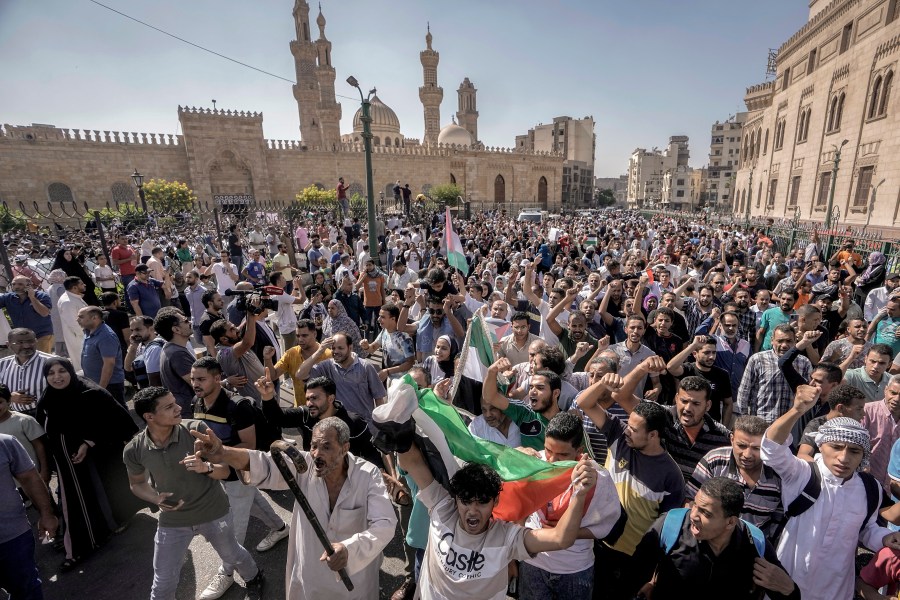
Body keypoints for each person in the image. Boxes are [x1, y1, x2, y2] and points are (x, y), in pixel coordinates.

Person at [192, 414, 397, 600]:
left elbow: (385, 524)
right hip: (310, 574)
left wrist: (350, 549)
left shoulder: (368, 475)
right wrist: (223, 452)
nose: (316, 453)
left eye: (326, 446)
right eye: (314, 445)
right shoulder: (303, 465)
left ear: (345, 448)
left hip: (354, 578)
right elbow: (263, 463)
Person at [394, 431, 598, 599]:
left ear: (495, 502)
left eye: (482, 502)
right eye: (466, 500)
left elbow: (561, 539)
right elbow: (413, 462)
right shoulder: (442, 509)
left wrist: (579, 494)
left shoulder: (507, 537)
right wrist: (397, 429)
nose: (472, 511)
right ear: (455, 499)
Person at [761, 384, 900, 600]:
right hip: (788, 582)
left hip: (836, 589)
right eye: (836, 447)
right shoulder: (803, 474)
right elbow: (771, 449)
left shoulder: (869, 488)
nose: (844, 458)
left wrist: (885, 537)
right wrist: (797, 410)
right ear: (822, 445)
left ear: (863, 455)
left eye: (854, 451)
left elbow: (866, 529)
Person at [123, 387, 264, 600]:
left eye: (175, 402)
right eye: (169, 406)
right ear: (149, 417)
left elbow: (225, 471)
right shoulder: (134, 449)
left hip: (214, 513)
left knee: (232, 554)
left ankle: (254, 577)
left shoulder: (196, 430)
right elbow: (137, 483)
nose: (179, 407)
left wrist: (205, 467)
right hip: (172, 521)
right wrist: (155, 498)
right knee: (162, 582)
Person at [574, 372, 685, 599]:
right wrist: (602, 383)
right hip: (597, 544)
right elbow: (584, 402)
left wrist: (655, 576)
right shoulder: (618, 434)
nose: (627, 430)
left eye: (634, 429)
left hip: (634, 560)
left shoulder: (671, 476)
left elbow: (669, 531)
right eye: (628, 424)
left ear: (653, 435)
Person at [35, 357, 143, 572]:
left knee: (108, 491)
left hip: (103, 453)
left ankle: (102, 528)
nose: (57, 377)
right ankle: (80, 536)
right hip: (68, 461)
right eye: (51, 373)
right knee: (78, 497)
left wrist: (88, 442)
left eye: (62, 371)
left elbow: (116, 420)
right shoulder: (48, 397)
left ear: (70, 372)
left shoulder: (91, 393)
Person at [628, 477, 799, 600]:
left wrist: (788, 588)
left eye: (705, 513)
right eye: (695, 505)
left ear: (730, 522)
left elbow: (789, 594)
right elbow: (630, 579)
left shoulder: (755, 545)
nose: (694, 515)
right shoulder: (669, 526)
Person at [189, 358, 287, 565]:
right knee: (255, 503)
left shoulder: (237, 406)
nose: (195, 384)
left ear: (217, 379)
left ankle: (229, 571)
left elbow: (249, 446)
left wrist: (216, 453)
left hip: (239, 472)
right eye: (192, 379)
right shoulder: (196, 402)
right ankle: (281, 529)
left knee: (232, 529)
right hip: (220, 471)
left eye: (201, 379)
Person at [520, 413, 622, 600]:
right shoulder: (533, 462)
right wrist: (515, 457)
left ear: (579, 451)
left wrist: (567, 532)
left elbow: (606, 526)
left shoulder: (597, 477)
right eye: (548, 450)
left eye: (562, 454)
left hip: (574, 570)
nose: (552, 460)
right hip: (533, 563)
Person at [686, 415, 785, 542]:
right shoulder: (714, 461)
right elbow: (689, 499)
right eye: (742, 446)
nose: (747, 455)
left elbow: (779, 521)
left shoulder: (778, 476)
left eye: (756, 448)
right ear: (732, 439)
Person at [260, 373, 381, 466]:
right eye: (307, 399)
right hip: (315, 475)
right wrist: (267, 396)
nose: (309, 403)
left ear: (331, 398)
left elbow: (371, 453)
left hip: (345, 481)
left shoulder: (353, 422)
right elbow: (277, 418)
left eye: (314, 398)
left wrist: (381, 475)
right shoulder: (306, 414)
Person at [0, 433, 58, 600]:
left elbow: (30, 478)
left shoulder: (5, 442)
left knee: (26, 590)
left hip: (12, 538)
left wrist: (46, 514)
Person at [298, 333, 386, 425]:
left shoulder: (365, 367)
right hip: (339, 427)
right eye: (333, 348)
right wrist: (320, 351)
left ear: (350, 347)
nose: (336, 351)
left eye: (340, 348)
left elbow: (379, 398)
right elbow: (300, 374)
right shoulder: (326, 366)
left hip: (365, 426)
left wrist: (381, 424)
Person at [736, 324, 812, 423]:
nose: (784, 345)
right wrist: (744, 420)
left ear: (795, 341)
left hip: (792, 424)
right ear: (772, 340)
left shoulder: (804, 362)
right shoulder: (757, 359)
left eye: (789, 341)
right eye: (780, 341)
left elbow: (809, 394)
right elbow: (744, 392)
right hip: (762, 422)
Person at [667, 335, 734, 425]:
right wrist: (693, 345)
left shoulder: (722, 375)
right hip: (686, 423)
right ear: (695, 354)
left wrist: (724, 428)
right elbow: (671, 367)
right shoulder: (688, 369)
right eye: (706, 353)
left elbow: (728, 403)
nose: (711, 357)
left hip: (710, 426)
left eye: (714, 353)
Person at [77, 306, 126, 406]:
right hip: (95, 383)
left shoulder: (106, 336)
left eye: (81, 317)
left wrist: (101, 389)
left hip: (110, 385)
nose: (77, 320)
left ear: (94, 318)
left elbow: (109, 364)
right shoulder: (88, 331)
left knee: (119, 415)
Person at [156, 307, 197, 417]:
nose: (190, 322)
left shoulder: (171, 348)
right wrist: (227, 381)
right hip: (189, 411)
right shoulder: (177, 354)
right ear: (176, 330)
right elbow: (198, 384)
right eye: (186, 321)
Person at [861, 374, 900, 491]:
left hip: (895, 490)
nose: (897, 399)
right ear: (885, 390)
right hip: (866, 485)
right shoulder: (866, 411)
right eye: (893, 393)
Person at [0, 328, 52, 416]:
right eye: (20, 343)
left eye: (31, 341)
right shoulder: (2, 364)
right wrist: (9, 397)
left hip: (46, 414)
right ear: (8, 345)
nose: (26, 346)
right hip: (14, 416)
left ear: (36, 341)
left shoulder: (51, 362)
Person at [359, 304, 415, 384]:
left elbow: (410, 363)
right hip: (390, 380)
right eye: (379, 316)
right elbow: (373, 348)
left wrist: (387, 371)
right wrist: (366, 346)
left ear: (393, 319)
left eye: (383, 317)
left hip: (403, 382)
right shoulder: (384, 332)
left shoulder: (403, 337)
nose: (378, 319)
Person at [0, 276, 53, 353]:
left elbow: (44, 313)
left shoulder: (41, 296)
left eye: (20, 284)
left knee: (42, 359)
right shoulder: (8, 298)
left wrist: (32, 297)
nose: (16, 287)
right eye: (14, 284)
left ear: (29, 285)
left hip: (41, 335)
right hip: (22, 337)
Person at [124, 315, 165, 389]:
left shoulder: (159, 345)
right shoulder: (137, 345)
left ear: (151, 329)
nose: (134, 334)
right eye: (132, 330)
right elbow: (128, 368)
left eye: (138, 329)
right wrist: (133, 347)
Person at [57, 276, 88, 372]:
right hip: (79, 338)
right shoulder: (68, 302)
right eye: (81, 284)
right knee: (83, 365)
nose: (84, 285)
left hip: (83, 336)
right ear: (74, 287)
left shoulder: (74, 297)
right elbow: (74, 324)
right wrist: (88, 336)